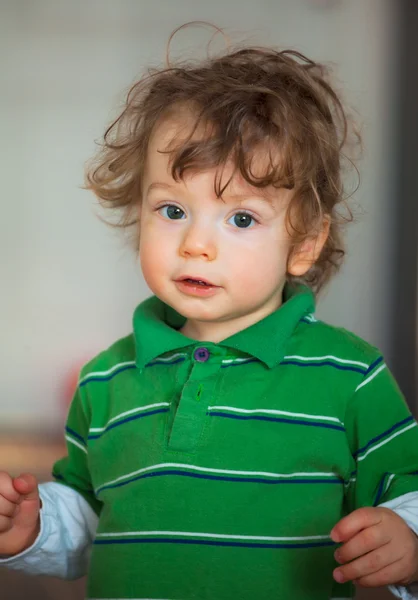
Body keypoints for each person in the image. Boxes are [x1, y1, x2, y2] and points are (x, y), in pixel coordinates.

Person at [1, 32, 418, 600]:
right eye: (173, 210)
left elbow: (407, 493)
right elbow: (90, 516)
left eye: (241, 219)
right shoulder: (104, 379)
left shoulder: (349, 374)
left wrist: (409, 540)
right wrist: (34, 526)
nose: (196, 244)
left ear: (304, 244)